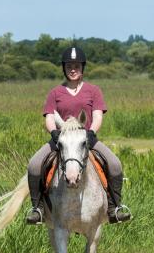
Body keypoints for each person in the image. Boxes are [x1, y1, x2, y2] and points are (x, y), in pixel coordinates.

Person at [25, 46, 131, 224]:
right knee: (34, 165)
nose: (72, 69)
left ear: (82, 67)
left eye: (76, 66)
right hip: (62, 139)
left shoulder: (93, 90)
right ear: (64, 68)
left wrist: (91, 133)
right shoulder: (55, 92)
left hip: (86, 139)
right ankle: (38, 209)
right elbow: (50, 117)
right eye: (69, 66)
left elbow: (97, 115)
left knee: (115, 164)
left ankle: (114, 208)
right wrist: (54, 133)